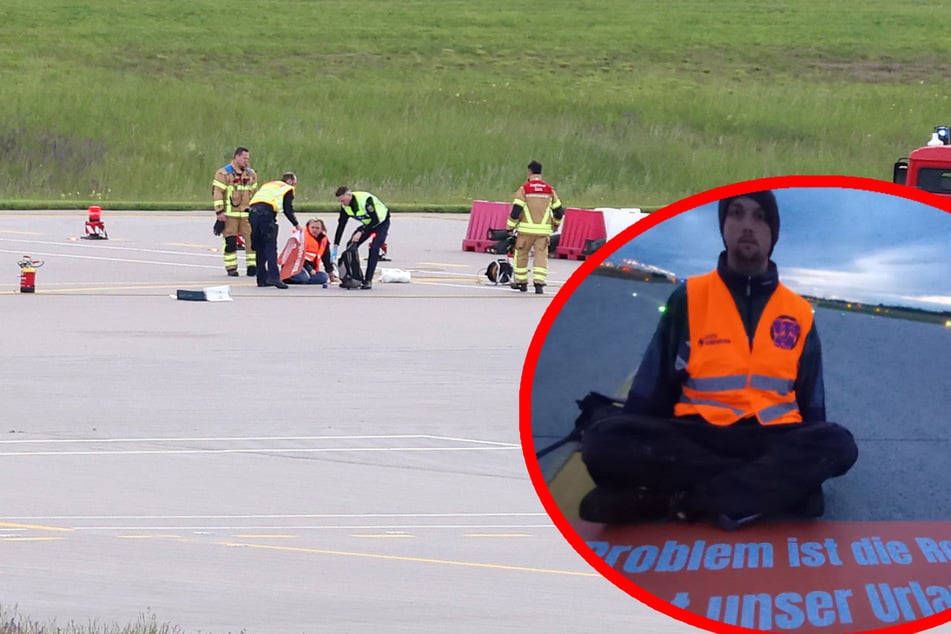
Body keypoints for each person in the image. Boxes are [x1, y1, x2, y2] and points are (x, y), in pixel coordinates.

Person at [576, 190, 859, 531]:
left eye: (760, 217)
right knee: (603, 442)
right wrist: (632, 439)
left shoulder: (798, 312)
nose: (748, 226)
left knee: (838, 445)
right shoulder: (690, 297)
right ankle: (768, 492)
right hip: (698, 435)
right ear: (723, 226)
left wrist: (813, 455)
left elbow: (812, 401)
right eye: (736, 214)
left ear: (774, 233)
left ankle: (679, 501)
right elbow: (652, 387)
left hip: (772, 437)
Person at [506, 160, 565, 294]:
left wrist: (509, 227)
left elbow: (516, 210)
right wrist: (555, 224)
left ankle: (522, 283)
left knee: (521, 255)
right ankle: (539, 284)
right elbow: (559, 211)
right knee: (541, 257)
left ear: (529, 172)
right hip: (543, 232)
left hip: (526, 231)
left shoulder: (524, 189)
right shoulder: (549, 190)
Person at [248, 172, 301, 289]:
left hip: (253, 214)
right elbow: (288, 209)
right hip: (266, 215)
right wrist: (296, 224)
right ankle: (274, 277)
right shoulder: (287, 188)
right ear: (290, 181)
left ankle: (261, 279)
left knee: (259, 247)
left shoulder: (268, 185)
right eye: (295, 183)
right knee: (270, 246)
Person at [212, 147, 258, 277]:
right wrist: (219, 211)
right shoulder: (223, 174)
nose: (246, 161)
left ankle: (252, 266)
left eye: (248, 159)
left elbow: (254, 193)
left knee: (252, 241)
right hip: (229, 215)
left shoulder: (251, 174)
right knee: (230, 242)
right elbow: (217, 193)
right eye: (244, 158)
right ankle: (231, 268)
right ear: (236, 157)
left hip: (247, 215)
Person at [332, 187, 390, 290]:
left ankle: (368, 280)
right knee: (351, 246)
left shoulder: (366, 200)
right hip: (367, 224)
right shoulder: (345, 207)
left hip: (380, 223)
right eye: (340, 201)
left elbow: (375, 220)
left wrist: (361, 232)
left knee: (374, 249)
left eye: (343, 200)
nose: (343, 203)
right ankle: (355, 277)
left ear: (349, 195)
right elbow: (341, 225)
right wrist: (336, 245)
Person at [283, 218, 338, 286]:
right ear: (308, 227)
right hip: (295, 266)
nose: (314, 230)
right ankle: (286, 278)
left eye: (317, 228)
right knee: (303, 277)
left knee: (323, 277)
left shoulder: (324, 240)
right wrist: (310, 269)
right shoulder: (301, 237)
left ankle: (302, 280)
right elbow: (298, 256)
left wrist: (331, 275)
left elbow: (326, 259)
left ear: (322, 229)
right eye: (312, 227)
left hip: (310, 270)